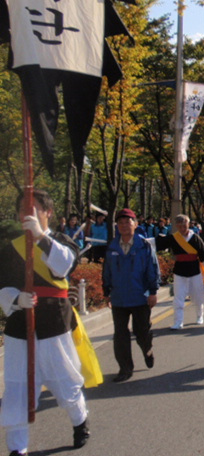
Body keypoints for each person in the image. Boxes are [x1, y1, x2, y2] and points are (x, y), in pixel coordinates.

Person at [0, 190, 90, 455]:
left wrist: (40, 237)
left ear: (48, 212)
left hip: (54, 323)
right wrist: (16, 299)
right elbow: (2, 284)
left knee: (65, 382)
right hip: (19, 327)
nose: (28, 213)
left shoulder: (62, 241)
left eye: (35, 207)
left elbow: (64, 266)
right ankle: (18, 447)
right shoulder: (10, 248)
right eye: (23, 208)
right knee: (17, 388)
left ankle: (80, 421)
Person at [102, 209, 160, 383]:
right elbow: (107, 271)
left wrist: (153, 292)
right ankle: (125, 369)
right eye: (120, 223)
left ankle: (147, 349)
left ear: (135, 224)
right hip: (119, 297)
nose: (124, 226)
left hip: (139, 296)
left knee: (141, 332)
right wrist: (106, 291)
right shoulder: (112, 246)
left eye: (128, 222)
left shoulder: (144, 245)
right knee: (120, 334)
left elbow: (152, 269)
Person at [156, 214, 204, 330]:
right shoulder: (173, 238)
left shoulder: (195, 237)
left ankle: (199, 316)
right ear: (176, 226)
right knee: (178, 297)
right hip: (179, 271)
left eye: (185, 225)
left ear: (188, 224)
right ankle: (178, 322)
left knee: (198, 295)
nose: (183, 228)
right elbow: (158, 242)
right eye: (180, 225)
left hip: (194, 271)